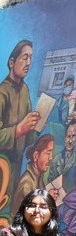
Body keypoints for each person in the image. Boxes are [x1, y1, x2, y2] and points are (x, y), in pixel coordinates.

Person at [0, 40, 40, 188]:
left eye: (30, 58)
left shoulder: (25, 91)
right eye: (24, 57)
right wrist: (18, 130)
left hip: (15, 169)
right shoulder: (2, 92)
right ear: (12, 62)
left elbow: (27, 139)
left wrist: (36, 128)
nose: (28, 63)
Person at [13, 135, 54, 211]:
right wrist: (48, 199)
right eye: (48, 153)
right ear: (36, 156)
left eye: (52, 153)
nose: (51, 158)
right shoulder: (27, 184)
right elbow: (33, 212)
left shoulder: (38, 177)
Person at [45, 120, 76, 195]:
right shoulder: (56, 159)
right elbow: (50, 183)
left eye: (73, 136)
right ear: (64, 138)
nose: (70, 141)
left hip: (73, 198)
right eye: (68, 136)